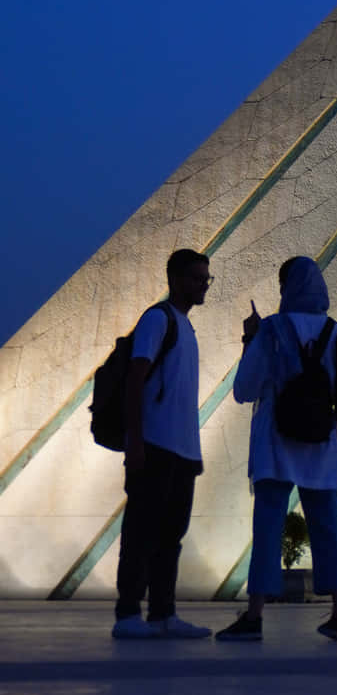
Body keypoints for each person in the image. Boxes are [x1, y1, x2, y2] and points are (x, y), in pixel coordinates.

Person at [216, 255, 337, 643]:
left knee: (267, 528)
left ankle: (255, 615)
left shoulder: (272, 330)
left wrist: (249, 339)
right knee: (329, 527)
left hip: (275, 443)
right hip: (321, 445)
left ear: (286, 288)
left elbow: (245, 390)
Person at [112, 246, 213, 640]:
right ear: (174, 280)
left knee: (170, 536)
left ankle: (163, 613)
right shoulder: (158, 320)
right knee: (141, 531)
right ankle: (127, 615)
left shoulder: (186, 327)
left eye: (207, 278)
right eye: (196, 278)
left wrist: (194, 453)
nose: (203, 285)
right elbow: (136, 379)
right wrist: (134, 441)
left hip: (182, 452)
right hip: (154, 446)